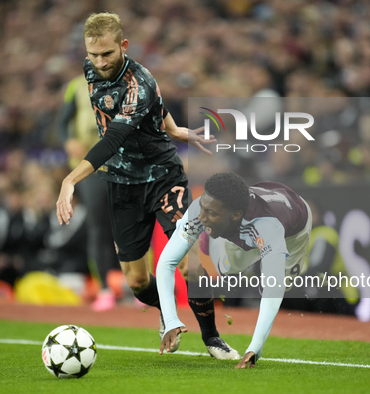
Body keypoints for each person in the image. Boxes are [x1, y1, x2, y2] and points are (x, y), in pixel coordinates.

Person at [55, 12, 239, 359]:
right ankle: (165, 313)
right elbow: (159, 107)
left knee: (188, 263)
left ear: (123, 46)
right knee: (138, 282)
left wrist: (69, 179)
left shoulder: (139, 82)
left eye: (107, 54)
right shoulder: (89, 68)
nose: (99, 62)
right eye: (93, 54)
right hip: (122, 185)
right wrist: (174, 129)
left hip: (163, 177)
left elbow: (114, 139)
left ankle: (213, 338)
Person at [156, 172, 313, 369]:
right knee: (227, 270)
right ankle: (216, 239)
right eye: (203, 209)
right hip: (247, 220)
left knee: (278, 286)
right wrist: (171, 320)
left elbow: (275, 288)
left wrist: (256, 347)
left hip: (293, 232)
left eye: (211, 213)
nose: (202, 218)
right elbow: (166, 263)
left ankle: (264, 255)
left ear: (236, 214)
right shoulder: (201, 208)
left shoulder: (268, 226)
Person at [57, 74, 123, 311]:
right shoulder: (76, 86)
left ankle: (138, 285)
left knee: (132, 224)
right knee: (99, 226)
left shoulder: (132, 83)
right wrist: (68, 142)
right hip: (89, 166)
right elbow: (62, 124)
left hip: (124, 165)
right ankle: (105, 288)